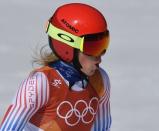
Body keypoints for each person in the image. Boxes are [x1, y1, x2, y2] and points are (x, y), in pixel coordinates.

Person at [0, 3, 111, 131]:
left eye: (103, 45)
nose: (99, 58)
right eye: (93, 48)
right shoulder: (41, 83)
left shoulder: (100, 80)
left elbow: (102, 128)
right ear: (67, 47)